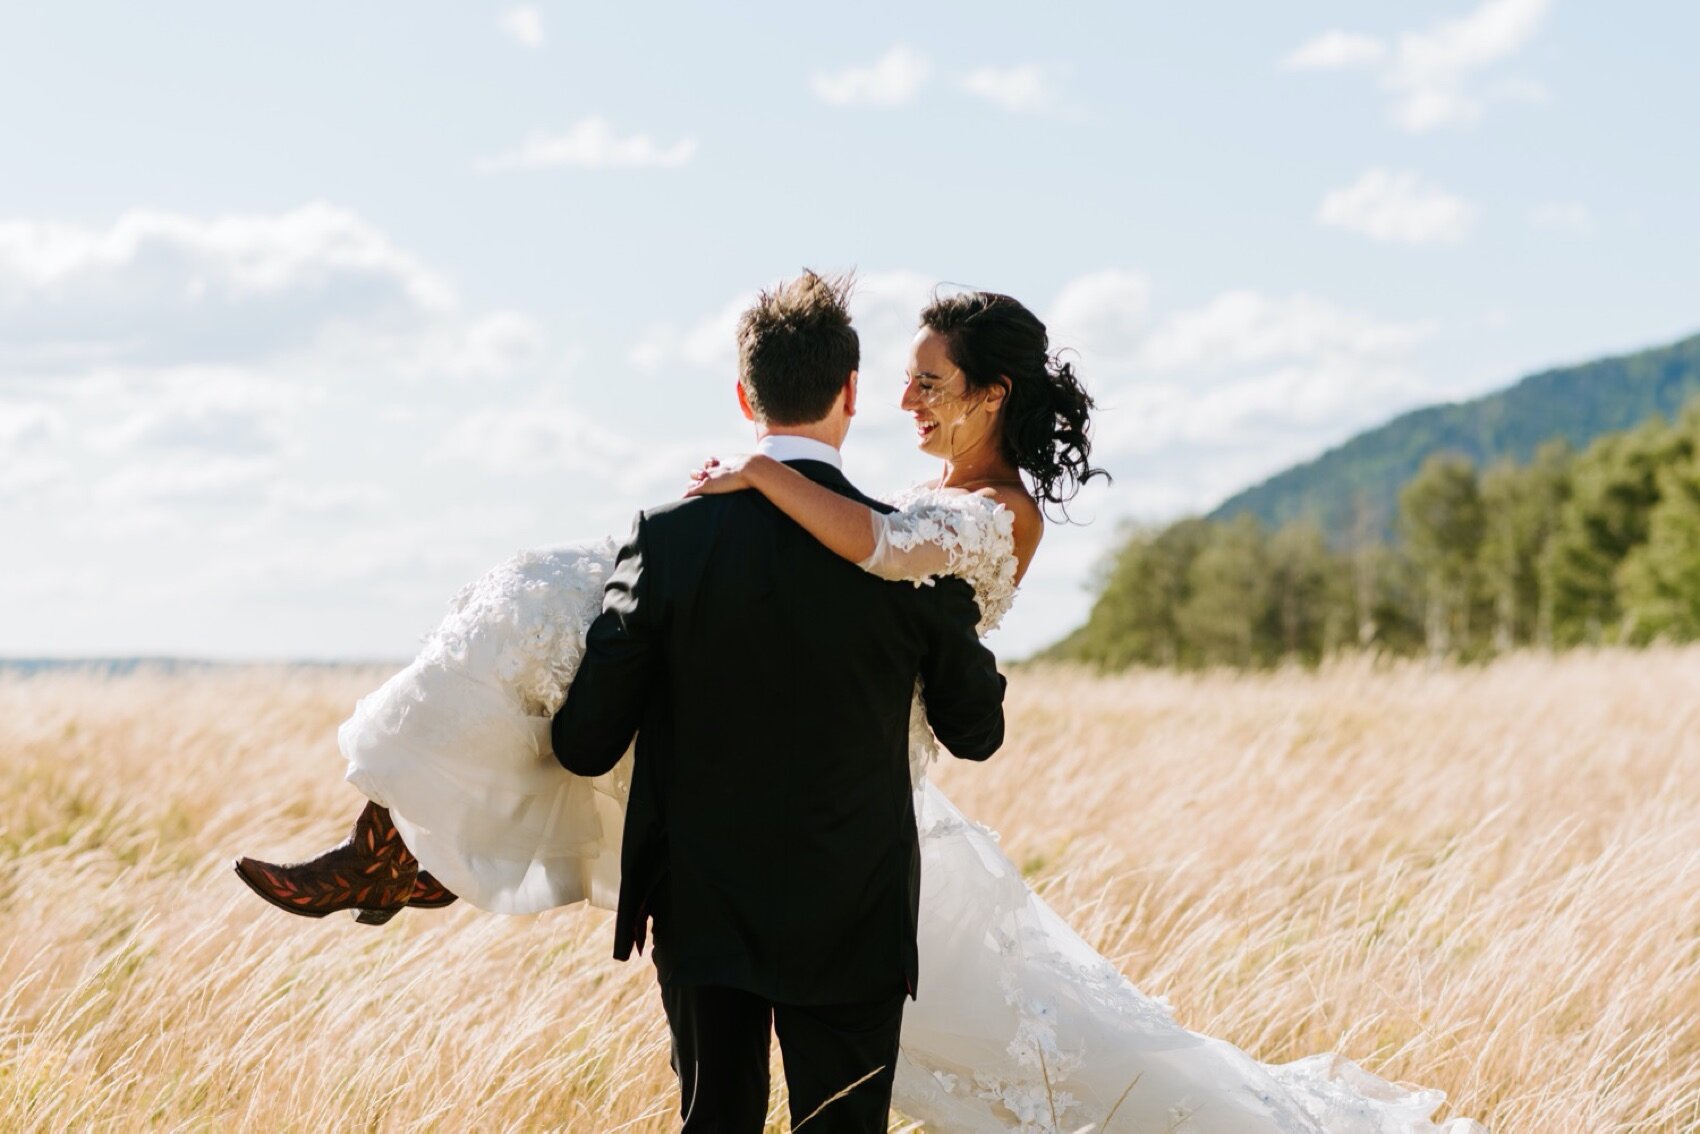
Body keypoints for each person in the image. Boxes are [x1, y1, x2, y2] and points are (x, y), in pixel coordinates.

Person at [235, 276, 1483, 1132]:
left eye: (929, 380)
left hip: (866, 822)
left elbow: (885, 553)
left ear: (992, 395)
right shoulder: (906, 503)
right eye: (896, 380)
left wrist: (758, 481)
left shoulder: (987, 518)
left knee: (1083, 1071)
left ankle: (405, 851)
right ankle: (404, 845)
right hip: (821, 813)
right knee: (540, 605)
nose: (905, 401)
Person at [549, 273, 1006, 1131]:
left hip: (703, 906)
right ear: (852, 393)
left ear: (743, 395)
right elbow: (976, 732)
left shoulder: (668, 541)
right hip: (856, 912)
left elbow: (584, 744)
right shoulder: (913, 554)